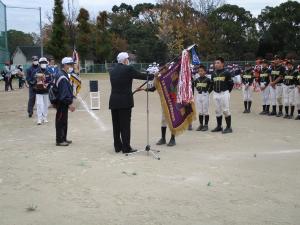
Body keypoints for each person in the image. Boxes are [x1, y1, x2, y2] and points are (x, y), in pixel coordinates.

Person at [109, 52, 153, 154]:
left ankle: (117, 146)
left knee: (116, 125)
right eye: (128, 59)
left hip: (114, 101)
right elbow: (141, 76)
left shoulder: (112, 70)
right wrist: (152, 75)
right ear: (125, 60)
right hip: (125, 102)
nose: (128, 60)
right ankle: (126, 147)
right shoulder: (128, 69)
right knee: (125, 126)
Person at [55, 57, 75, 146]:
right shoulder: (62, 76)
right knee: (60, 121)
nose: (71, 66)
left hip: (63, 102)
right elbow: (64, 93)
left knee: (64, 121)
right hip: (61, 102)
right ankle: (59, 140)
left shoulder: (64, 74)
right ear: (65, 65)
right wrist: (70, 103)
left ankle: (63, 138)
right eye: (70, 64)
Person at [211, 57, 234, 134]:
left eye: (218, 63)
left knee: (225, 110)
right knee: (217, 110)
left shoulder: (227, 73)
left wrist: (227, 92)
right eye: (215, 63)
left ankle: (228, 127)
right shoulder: (213, 73)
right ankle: (219, 126)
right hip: (216, 93)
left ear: (222, 64)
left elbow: (231, 83)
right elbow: (212, 83)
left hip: (224, 93)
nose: (216, 64)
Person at [194, 64, 212, 131]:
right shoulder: (197, 80)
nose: (200, 72)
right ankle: (201, 124)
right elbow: (195, 85)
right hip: (199, 95)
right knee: (200, 111)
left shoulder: (208, 79)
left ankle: (206, 125)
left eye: (202, 71)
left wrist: (208, 92)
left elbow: (212, 86)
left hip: (205, 95)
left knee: (205, 111)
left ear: (205, 71)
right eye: (199, 71)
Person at [34, 57, 53, 125]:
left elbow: (51, 80)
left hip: (46, 91)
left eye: (44, 62)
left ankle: (45, 117)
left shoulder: (48, 71)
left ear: (46, 63)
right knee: (39, 104)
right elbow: (34, 79)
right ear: (39, 63)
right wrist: (37, 80)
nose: (43, 64)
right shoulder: (36, 71)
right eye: (42, 63)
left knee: (45, 105)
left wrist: (47, 84)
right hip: (38, 91)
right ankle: (39, 119)